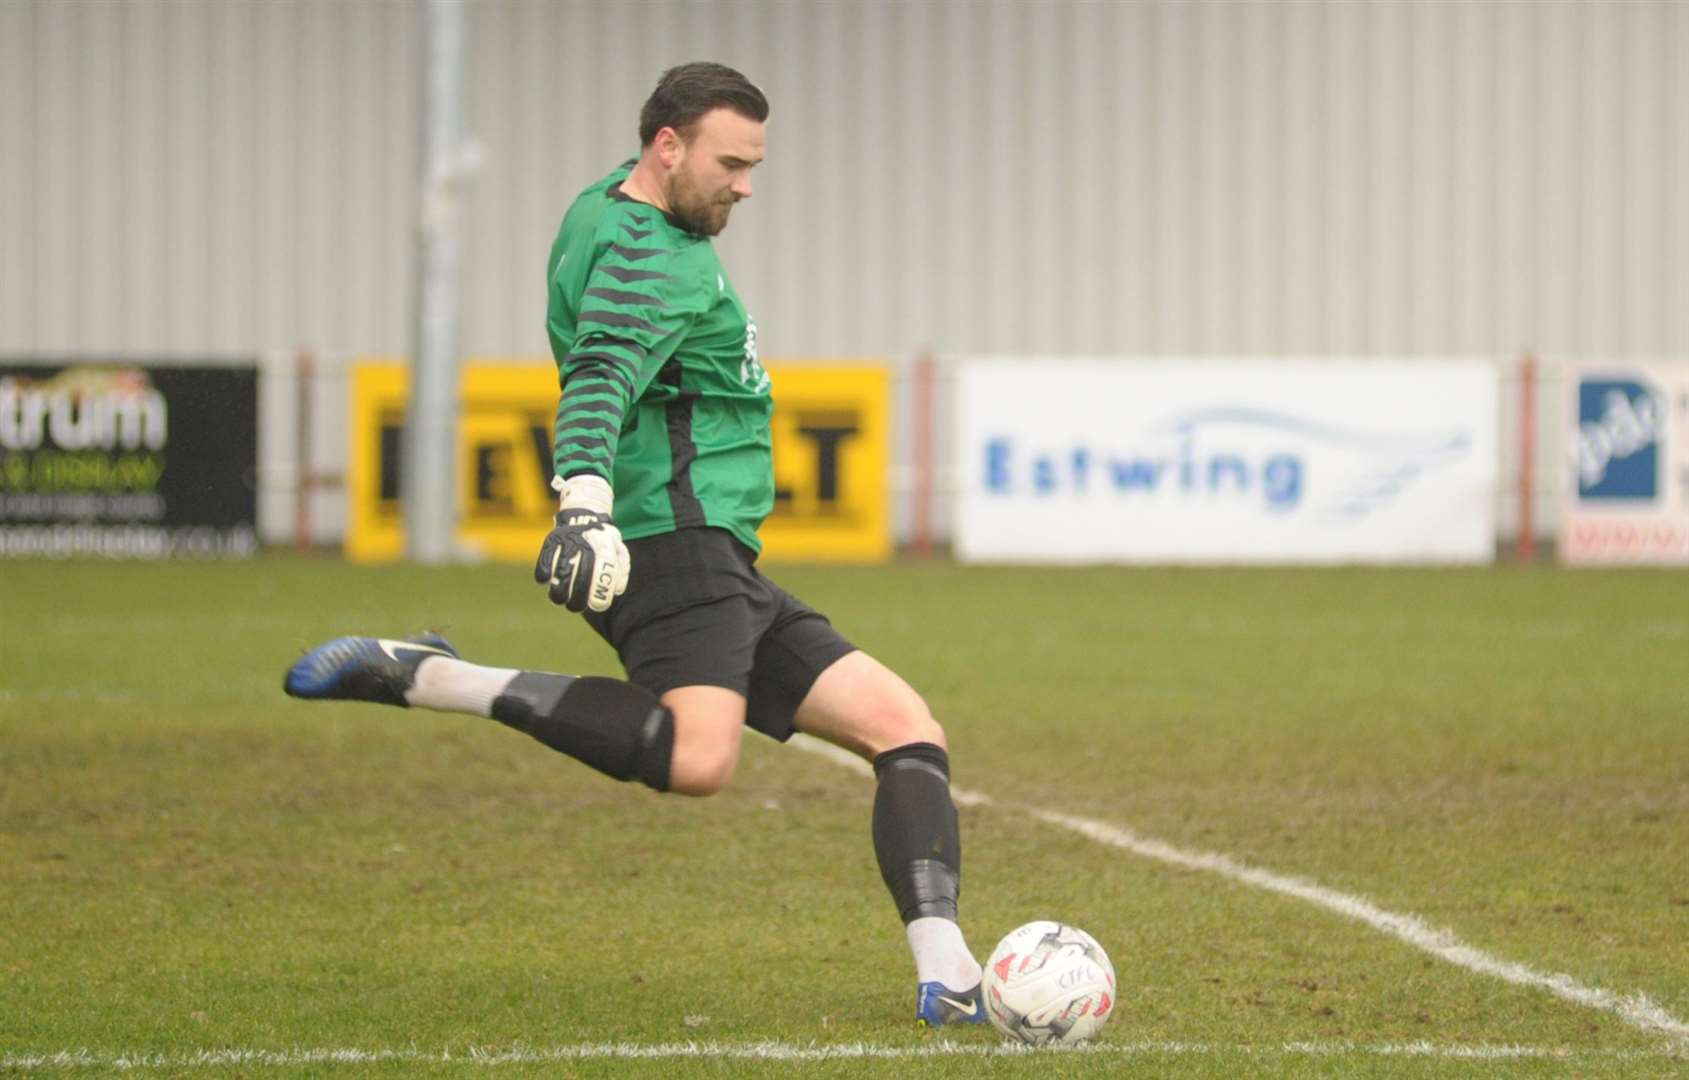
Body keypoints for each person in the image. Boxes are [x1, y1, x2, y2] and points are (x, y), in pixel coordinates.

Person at [284, 61, 985, 1027]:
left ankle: (946, 972)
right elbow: (603, 370)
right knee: (699, 760)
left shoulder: (600, 208)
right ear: (667, 147)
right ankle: (442, 679)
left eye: (753, 165)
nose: (745, 185)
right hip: (671, 541)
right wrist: (584, 501)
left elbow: (608, 356)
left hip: (714, 554)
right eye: (731, 163)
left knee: (902, 728)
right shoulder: (661, 258)